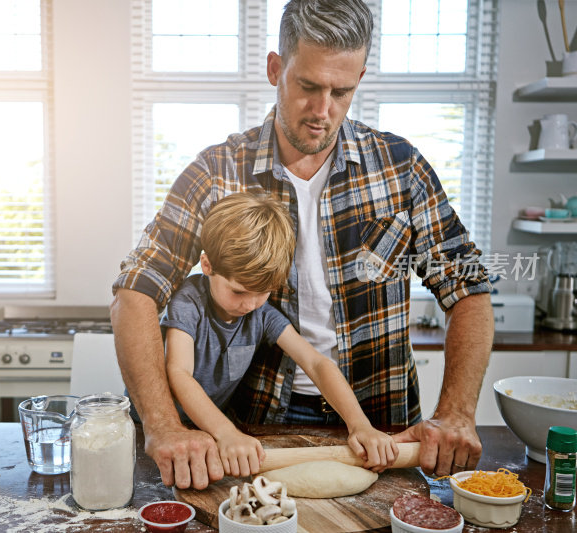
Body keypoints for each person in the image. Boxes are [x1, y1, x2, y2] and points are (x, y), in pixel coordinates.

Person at [111, 0, 493, 490]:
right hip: (255, 432)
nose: (322, 111)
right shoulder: (215, 173)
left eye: (342, 91)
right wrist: (165, 427)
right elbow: (135, 294)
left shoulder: (402, 169)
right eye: (308, 86)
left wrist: (456, 414)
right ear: (276, 68)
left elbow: (469, 289)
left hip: (382, 427)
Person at [164, 192, 398, 478]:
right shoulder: (188, 303)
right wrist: (226, 433)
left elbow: (316, 364)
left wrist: (359, 424)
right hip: (161, 430)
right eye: (238, 291)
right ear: (208, 265)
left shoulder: (260, 315)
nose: (249, 305)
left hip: (208, 432)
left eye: (262, 292)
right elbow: (179, 374)